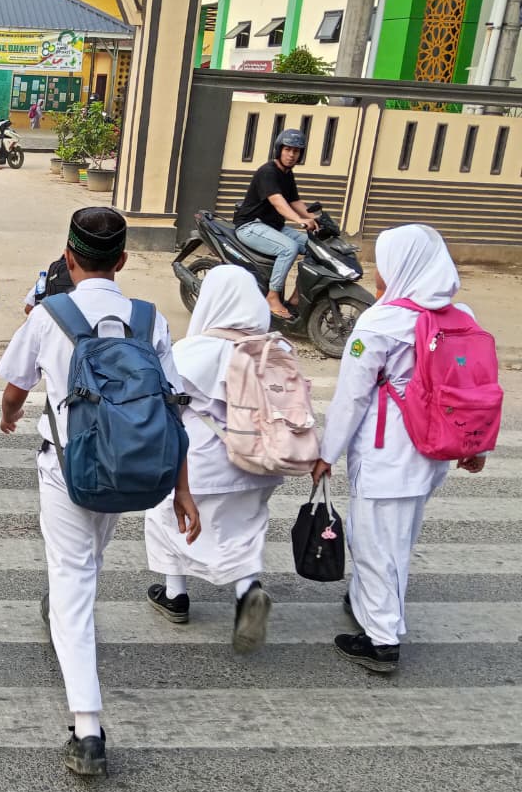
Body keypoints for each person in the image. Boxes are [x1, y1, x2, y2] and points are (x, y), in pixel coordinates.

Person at [0, 207, 201, 777]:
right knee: (86, 562)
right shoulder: (149, 320)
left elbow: (15, 387)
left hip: (66, 468)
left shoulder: (49, 314)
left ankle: (87, 728)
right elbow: (174, 409)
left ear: (69, 258)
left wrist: (8, 416)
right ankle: (63, 609)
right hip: (129, 467)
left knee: (73, 577)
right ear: (123, 260)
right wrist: (182, 490)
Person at [313, 225, 487, 673]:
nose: (378, 272)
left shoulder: (381, 322)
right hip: (434, 451)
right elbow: (473, 385)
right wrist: (474, 443)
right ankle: (367, 603)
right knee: (398, 538)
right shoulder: (462, 316)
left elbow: (351, 397)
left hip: (388, 453)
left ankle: (381, 640)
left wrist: (327, 453)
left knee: (374, 544)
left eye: (383, 263)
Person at [142, 266, 279, 653]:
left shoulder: (194, 351)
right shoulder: (274, 351)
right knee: (244, 529)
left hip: (201, 461)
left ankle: (176, 595)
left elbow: (164, 403)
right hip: (260, 461)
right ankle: (247, 590)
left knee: (168, 519)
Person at [232, 128, 319, 319]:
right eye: (287, 149)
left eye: (296, 151)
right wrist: (299, 220)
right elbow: (278, 201)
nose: (291, 155)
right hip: (250, 225)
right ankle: (272, 297)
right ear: (279, 149)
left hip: (272, 226)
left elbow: (295, 201)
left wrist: (315, 219)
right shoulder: (268, 172)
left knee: (314, 247)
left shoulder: (287, 174)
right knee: (289, 248)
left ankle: (296, 298)